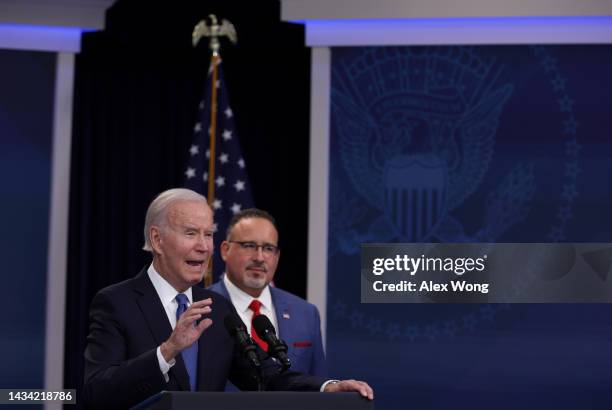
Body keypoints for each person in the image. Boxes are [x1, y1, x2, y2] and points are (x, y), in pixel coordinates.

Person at [82, 188, 373, 409]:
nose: (203, 247)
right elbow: (97, 392)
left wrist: (328, 387)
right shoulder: (117, 302)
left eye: (208, 234)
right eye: (191, 233)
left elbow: (266, 376)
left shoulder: (217, 308)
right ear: (157, 240)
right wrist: (167, 351)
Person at [209, 208, 326, 377]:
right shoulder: (202, 308)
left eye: (268, 248)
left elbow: (318, 385)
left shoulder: (306, 313)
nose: (259, 257)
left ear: (277, 256)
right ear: (225, 250)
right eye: (249, 246)